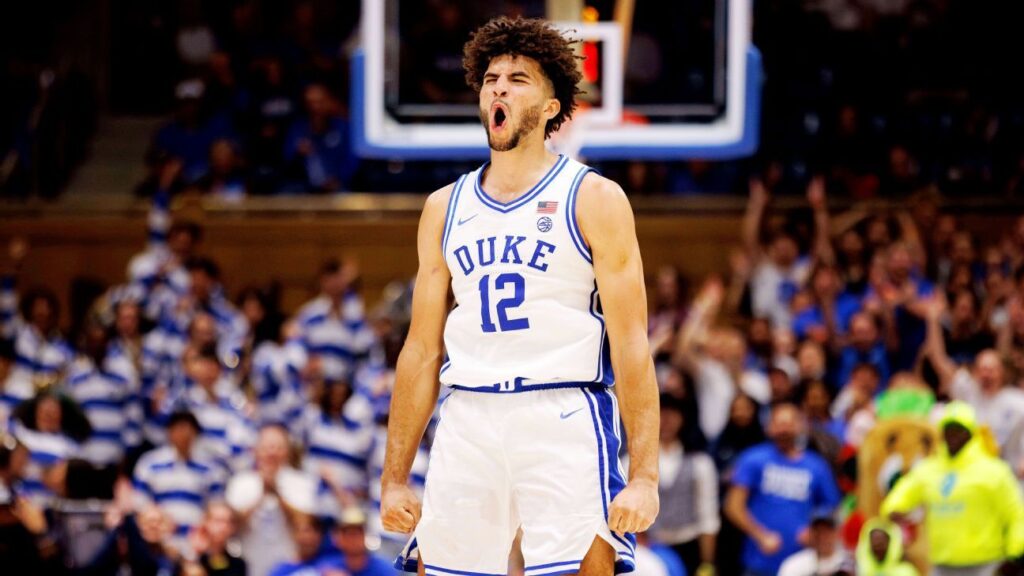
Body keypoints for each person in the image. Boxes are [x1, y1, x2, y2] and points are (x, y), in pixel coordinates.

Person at [381, 16, 659, 576]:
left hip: (563, 412)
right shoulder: (444, 207)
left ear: (552, 107)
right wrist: (394, 477)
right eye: (490, 80)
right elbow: (421, 350)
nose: (499, 89)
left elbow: (631, 344)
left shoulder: (595, 198)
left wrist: (645, 476)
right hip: (468, 414)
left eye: (517, 79)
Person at [880, 401, 1024, 576]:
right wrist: (894, 509)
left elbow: (1016, 515)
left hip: (986, 565)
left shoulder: (994, 471)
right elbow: (901, 495)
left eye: (959, 430)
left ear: (971, 434)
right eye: (948, 430)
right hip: (942, 565)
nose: (952, 435)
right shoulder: (929, 469)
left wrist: (1014, 555)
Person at [724, 403, 840, 576]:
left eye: (789, 424)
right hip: (759, 561)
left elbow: (832, 506)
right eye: (779, 424)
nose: (784, 430)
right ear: (769, 427)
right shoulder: (753, 459)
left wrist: (814, 532)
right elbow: (733, 506)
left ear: (801, 426)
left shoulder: (816, 465)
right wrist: (760, 535)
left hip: (803, 562)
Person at [649, 393, 719, 576]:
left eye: (672, 414)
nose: (666, 421)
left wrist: (707, 563)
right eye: (661, 413)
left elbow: (708, 517)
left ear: (682, 419)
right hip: (649, 546)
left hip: (688, 546)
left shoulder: (700, 462)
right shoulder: (631, 461)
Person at [318, 507, 394, 576]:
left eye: (358, 533)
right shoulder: (329, 566)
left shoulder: (384, 568)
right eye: (347, 534)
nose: (353, 539)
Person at [776, 513, 850, 576]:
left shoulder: (848, 563)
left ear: (837, 533)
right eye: (818, 532)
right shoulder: (794, 564)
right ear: (810, 534)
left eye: (827, 532)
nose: (822, 537)